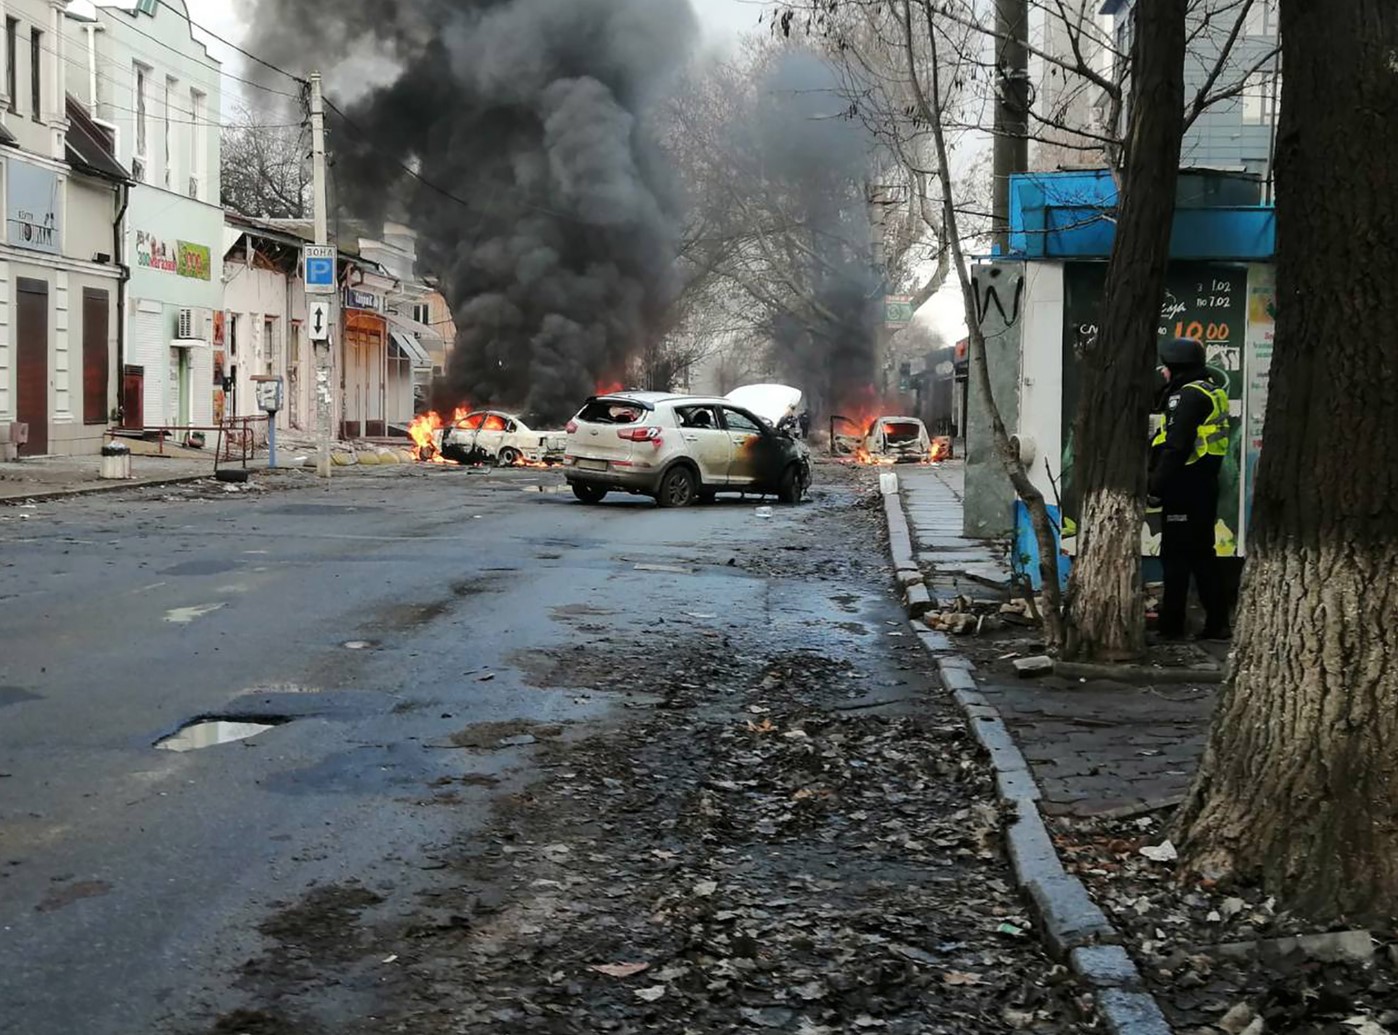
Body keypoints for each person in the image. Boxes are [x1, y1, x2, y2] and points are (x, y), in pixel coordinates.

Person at [1148, 337, 1230, 640]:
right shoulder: (1211, 390)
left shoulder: (1187, 396)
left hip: (1184, 484)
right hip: (1205, 483)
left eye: (1166, 367)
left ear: (1177, 367)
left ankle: (1171, 627)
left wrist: (1155, 484)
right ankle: (1218, 623)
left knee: (1176, 558)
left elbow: (1176, 447)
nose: (1163, 372)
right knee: (1202, 556)